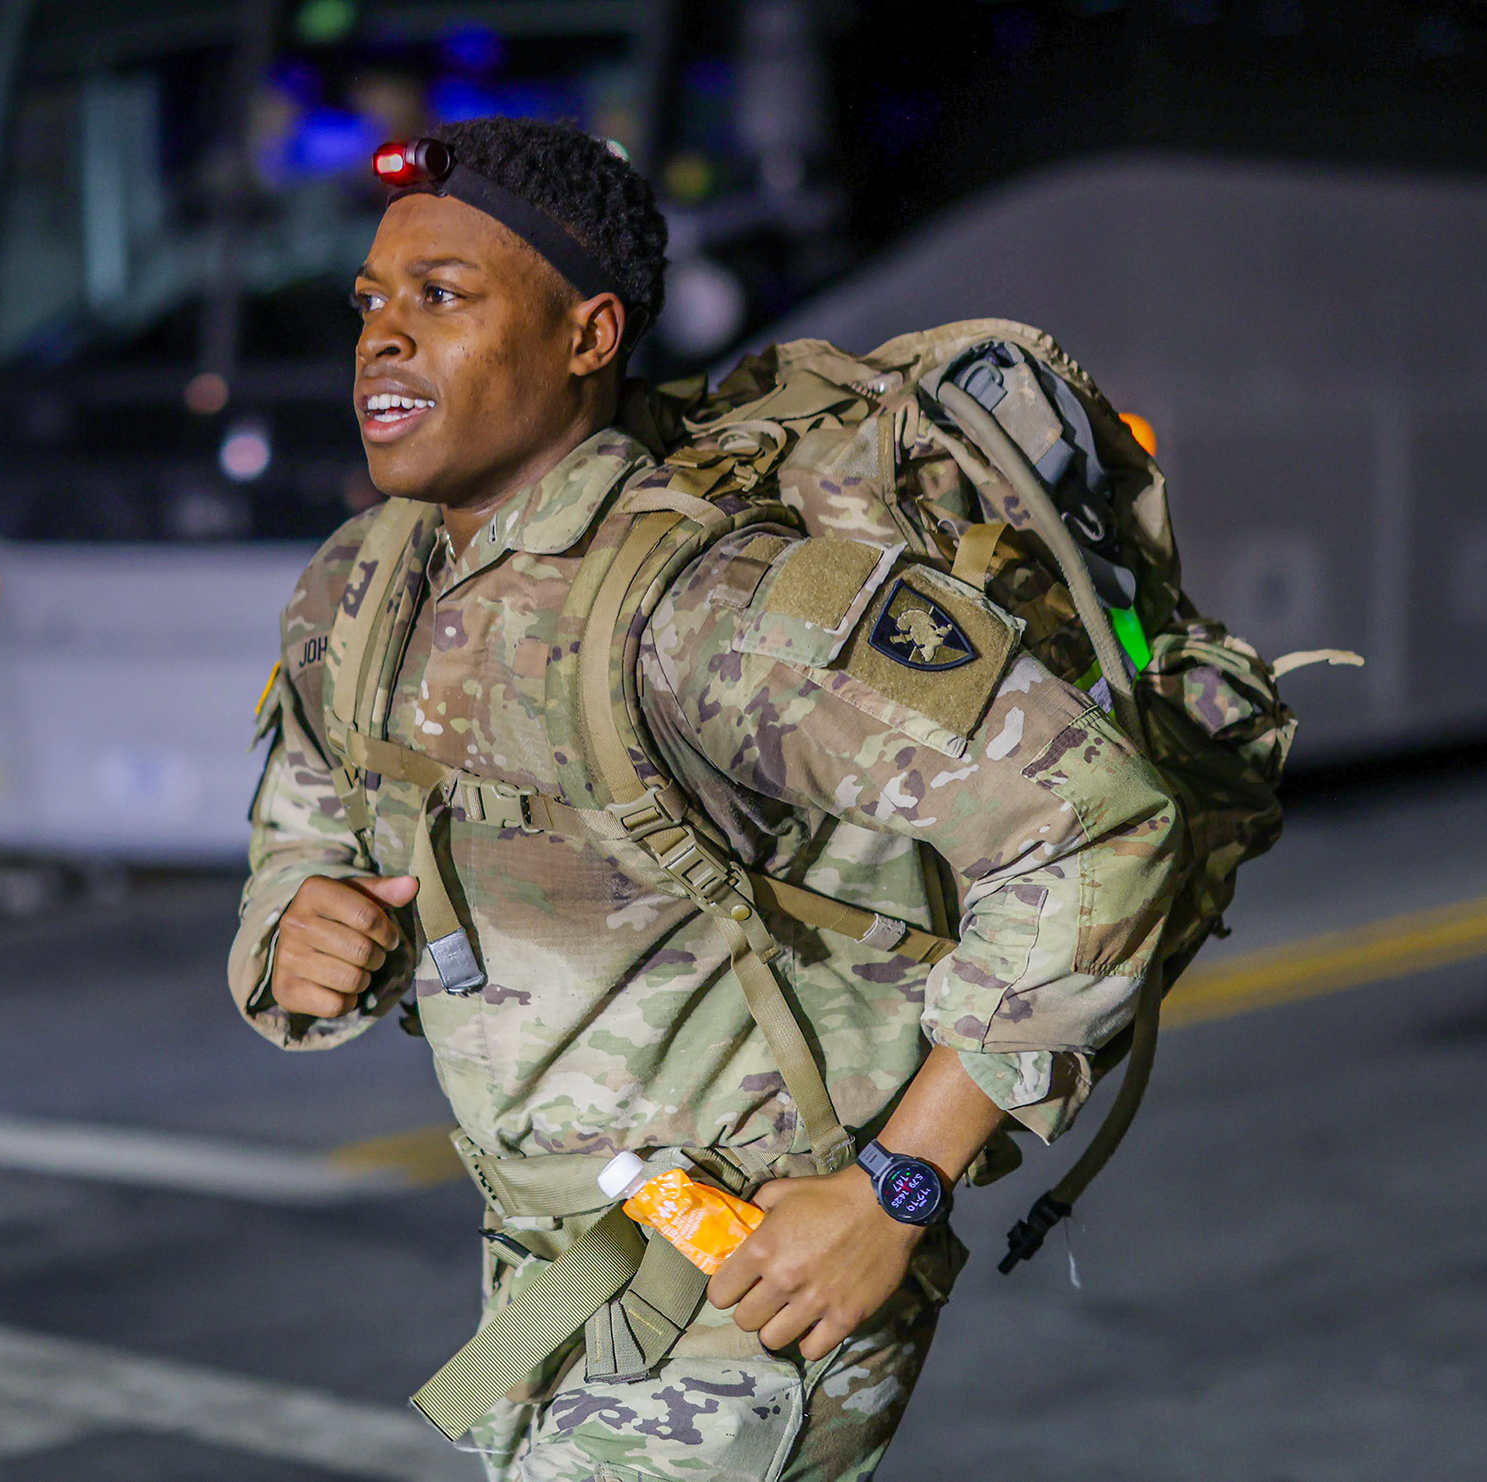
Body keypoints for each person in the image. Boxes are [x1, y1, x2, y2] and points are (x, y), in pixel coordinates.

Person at [229, 116, 1183, 1481]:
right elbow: (306, 810)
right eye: (372, 302)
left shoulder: (711, 612)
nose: (382, 337)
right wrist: (298, 922)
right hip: (547, 1266)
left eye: (442, 298)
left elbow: (1094, 821)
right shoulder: (359, 587)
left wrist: (895, 1188)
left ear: (587, 335)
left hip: (750, 1277)